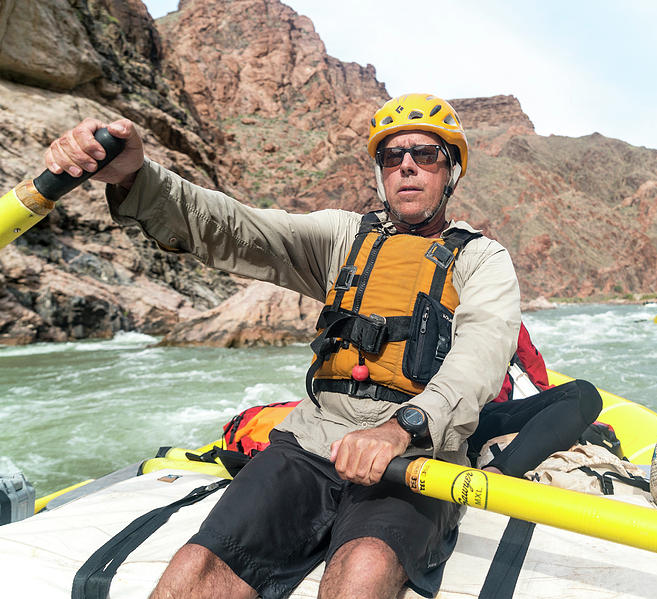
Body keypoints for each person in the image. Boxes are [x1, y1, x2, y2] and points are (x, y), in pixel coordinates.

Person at [44, 93, 521, 599]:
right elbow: (236, 225)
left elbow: (481, 356)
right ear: (380, 172)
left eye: (426, 155)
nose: (407, 166)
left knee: (364, 570)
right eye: (391, 156)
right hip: (314, 439)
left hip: (415, 453)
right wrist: (136, 177)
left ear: (451, 171)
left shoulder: (484, 259)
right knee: (196, 569)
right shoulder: (344, 237)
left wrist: (400, 428)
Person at [467, 323, 604, 478]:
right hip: (463, 421)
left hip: (486, 415)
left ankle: (497, 475)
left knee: (584, 394)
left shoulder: (502, 315)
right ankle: (495, 476)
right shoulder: (494, 314)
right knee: (583, 396)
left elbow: (535, 378)